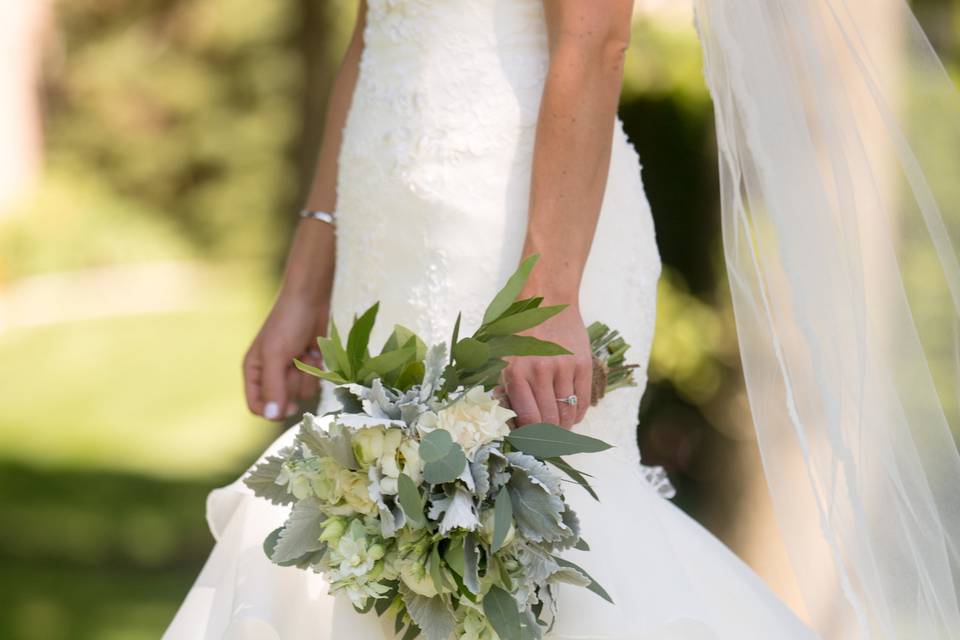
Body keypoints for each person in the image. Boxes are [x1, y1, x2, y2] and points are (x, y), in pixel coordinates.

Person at [164, 1, 924, 637]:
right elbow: (373, 29)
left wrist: (548, 293)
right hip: (384, 238)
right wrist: (307, 274)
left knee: (527, 543)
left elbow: (596, 40)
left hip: (514, 231)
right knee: (362, 533)